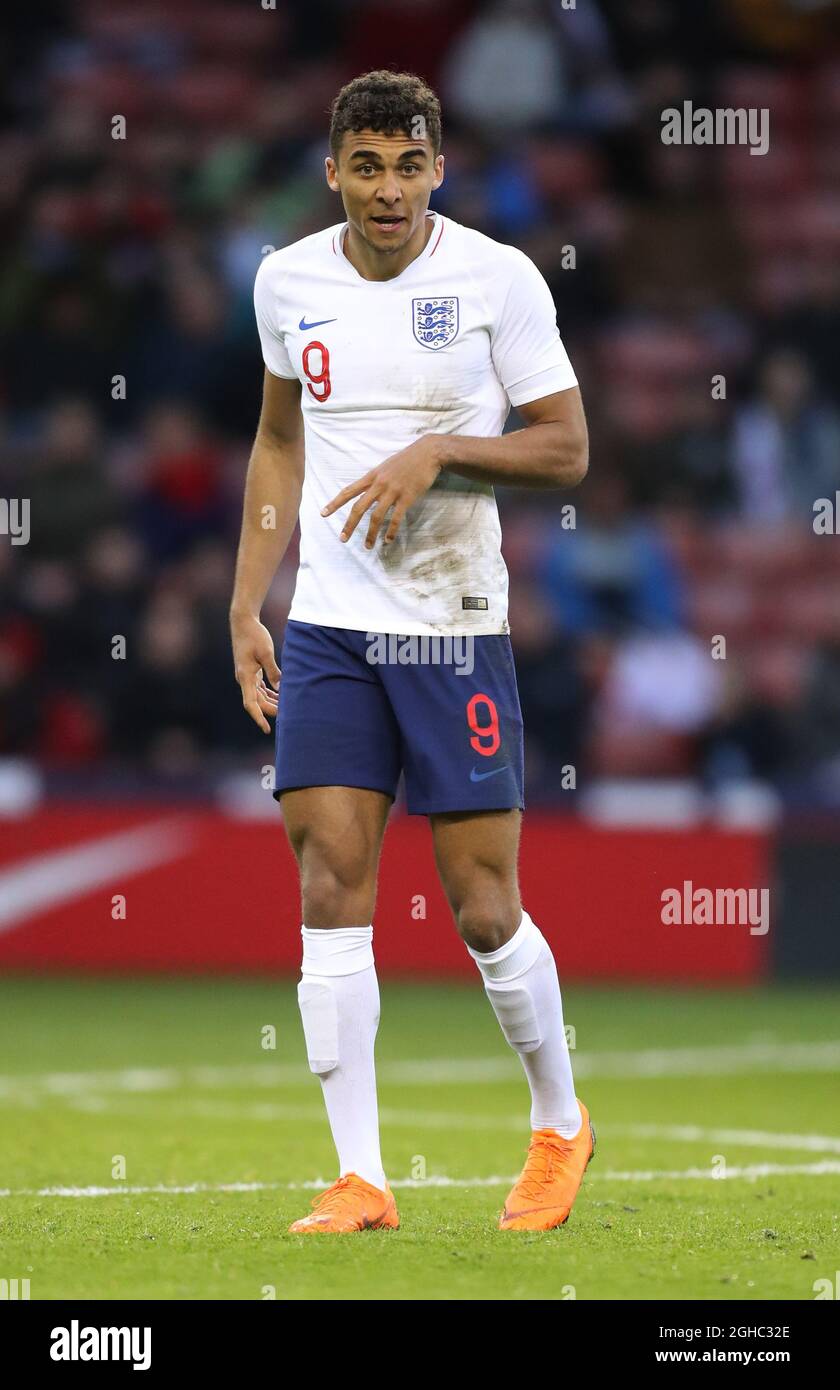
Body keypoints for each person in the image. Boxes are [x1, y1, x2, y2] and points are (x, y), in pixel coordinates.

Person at [230, 70, 592, 1235]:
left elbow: (568, 449)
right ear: (333, 169)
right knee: (329, 885)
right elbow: (280, 443)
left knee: (484, 908)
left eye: (410, 164)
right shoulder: (286, 281)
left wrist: (442, 451)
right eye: (366, 165)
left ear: (439, 168)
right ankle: (361, 1178)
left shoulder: (498, 279)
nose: (389, 189)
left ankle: (559, 1122)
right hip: (332, 629)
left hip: (454, 628)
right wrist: (251, 602)